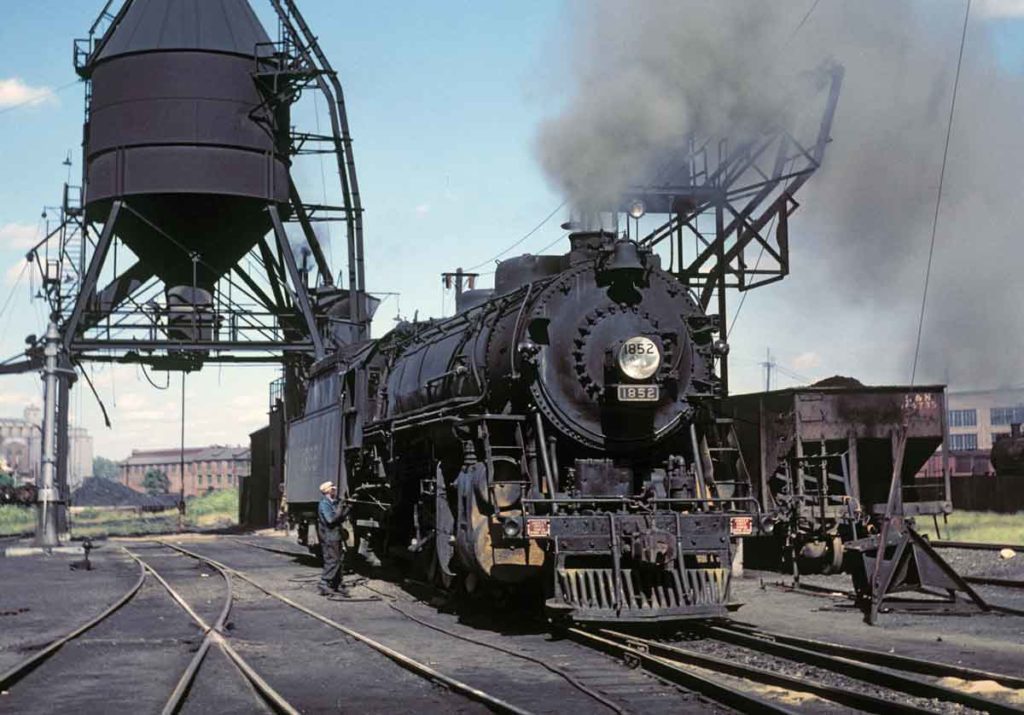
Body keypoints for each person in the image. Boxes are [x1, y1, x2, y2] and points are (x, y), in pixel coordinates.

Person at [317, 480, 349, 596]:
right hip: (329, 536)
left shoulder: (332, 502)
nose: (335, 490)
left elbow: (340, 517)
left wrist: (348, 508)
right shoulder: (324, 504)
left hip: (336, 535)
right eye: (333, 488)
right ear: (328, 491)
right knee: (332, 560)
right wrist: (341, 507)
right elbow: (331, 520)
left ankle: (337, 584)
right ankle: (324, 583)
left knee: (339, 560)